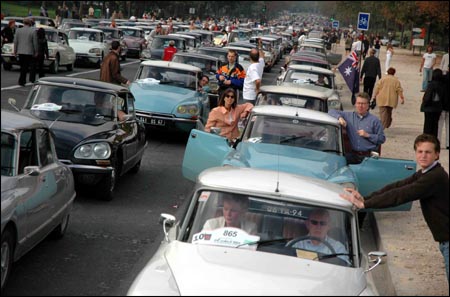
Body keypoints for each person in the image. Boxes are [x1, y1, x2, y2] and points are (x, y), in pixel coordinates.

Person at [340, 134, 449, 283]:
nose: (423, 156)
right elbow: (398, 186)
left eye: (428, 152)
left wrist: (365, 205)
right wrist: (366, 198)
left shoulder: (434, 177)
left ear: (437, 155)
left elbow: (402, 194)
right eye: (420, 151)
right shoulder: (427, 173)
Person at [329, 92, 385, 164]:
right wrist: (339, 118)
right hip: (352, 155)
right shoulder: (348, 116)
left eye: (363, 104)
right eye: (358, 103)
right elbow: (331, 111)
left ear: (368, 105)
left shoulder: (375, 120)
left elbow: (382, 139)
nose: (360, 106)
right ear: (355, 104)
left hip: (368, 157)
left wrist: (368, 135)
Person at [421, 69, 445, 138]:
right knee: (435, 126)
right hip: (438, 108)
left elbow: (427, 97)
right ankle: (434, 140)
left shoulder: (431, 85)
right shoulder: (442, 85)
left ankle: (426, 139)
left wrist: (424, 105)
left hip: (429, 108)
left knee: (428, 125)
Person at [13, 18, 37, 86]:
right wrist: (36, 51)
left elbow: (15, 42)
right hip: (29, 51)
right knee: (25, 67)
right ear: (30, 23)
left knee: (22, 66)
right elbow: (35, 43)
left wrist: (15, 51)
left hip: (20, 51)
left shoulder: (18, 30)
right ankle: (22, 80)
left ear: (23, 23)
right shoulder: (33, 31)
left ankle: (22, 80)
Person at [438, 71, 449, 150]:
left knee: (440, 125)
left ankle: (438, 142)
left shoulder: (443, 79)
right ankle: (448, 144)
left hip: (442, 106)